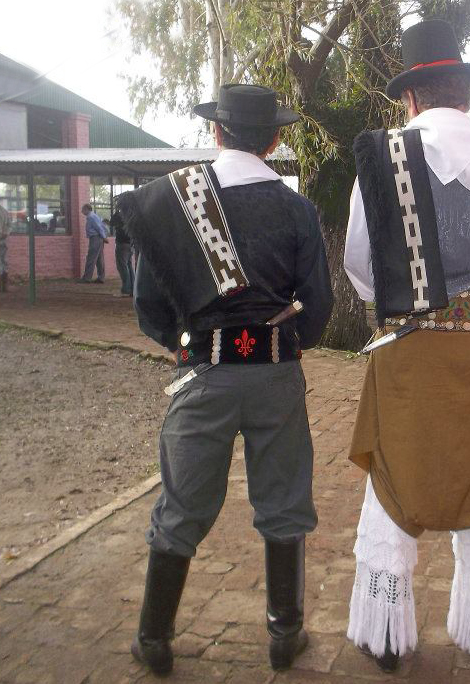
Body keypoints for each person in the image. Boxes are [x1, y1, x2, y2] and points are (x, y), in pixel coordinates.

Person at [344, 20, 470, 671]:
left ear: (410, 98)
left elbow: (360, 267)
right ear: (465, 94)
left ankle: (383, 636)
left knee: (393, 482)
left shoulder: (380, 158)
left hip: (405, 353)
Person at [117, 84, 333, 676]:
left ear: (216, 132)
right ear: (275, 139)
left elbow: (150, 308)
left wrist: (181, 347)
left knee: (182, 506)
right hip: (274, 374)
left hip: (204, 375)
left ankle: (154, 639)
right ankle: (284, 635)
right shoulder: (297, 210)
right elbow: (316, 307)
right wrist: (292, 344)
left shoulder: (172, 200)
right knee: (285, 504)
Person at [79, 203, 108, 283]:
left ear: (87, 209)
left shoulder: (91, 217)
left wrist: (104, 237)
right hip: (98, 238)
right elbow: (101, 226)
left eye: (83, 209)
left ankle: (87, 278)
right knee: (99, 259)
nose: (82, 211)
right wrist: (103, 237)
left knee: (91, 258)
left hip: (95, 238)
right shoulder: (93, 216)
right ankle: (101, 277)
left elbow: (99, 227)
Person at [111, 210, 134, 296]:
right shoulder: (131, 214)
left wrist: (116, 211)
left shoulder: (120, 215)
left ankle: (126, 289)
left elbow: (112, 222)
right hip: (130, 243)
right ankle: (132, 288)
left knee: (122, 266)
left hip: (122, 243)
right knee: (129, 266)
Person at [0, 203, 9, 293]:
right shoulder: (4, 212)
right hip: (2, 240)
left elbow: (9, 225)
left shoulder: (4, 212)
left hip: (2, 240)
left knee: (4, 262)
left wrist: (6, 233)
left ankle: (4, 286)